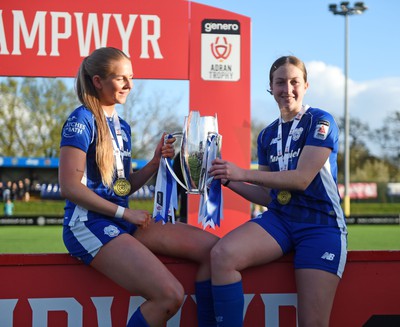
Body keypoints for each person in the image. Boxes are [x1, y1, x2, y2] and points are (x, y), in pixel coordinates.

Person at [59, 47, 219, 327]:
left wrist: (154, 163)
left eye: (131, 78)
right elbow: (70, 187)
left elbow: (121, 188)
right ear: (98, 81)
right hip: (87, 225)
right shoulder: (80, 120)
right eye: (121, 79)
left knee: (214, 250)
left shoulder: (123, 127)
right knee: (169, 296)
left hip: (121, 222)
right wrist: (124, 214)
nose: (130, 85)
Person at [209, 55, 347, 327]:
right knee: (222, 255)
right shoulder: (267, 135)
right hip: (281, 220)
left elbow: (301, 179)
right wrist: (228, 179)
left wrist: (243, 172)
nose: (287, 89)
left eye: (294, 82)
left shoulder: (320, 121)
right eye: (280, 82)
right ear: (271, 87)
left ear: (306, 85)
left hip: (320, 224)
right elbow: (269, 195)